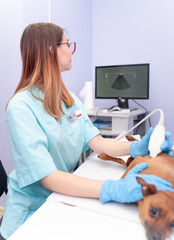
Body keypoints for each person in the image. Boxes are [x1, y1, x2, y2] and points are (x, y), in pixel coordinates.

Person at [0, 23, 173, 240]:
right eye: (67, 44)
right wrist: (112, 189)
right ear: (50, 50)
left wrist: (138, 146)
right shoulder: (20, 107)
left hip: (63, 200)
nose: (71, 50)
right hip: (31, 213)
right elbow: (49, 178)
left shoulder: (70, 100)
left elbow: (98, 142)